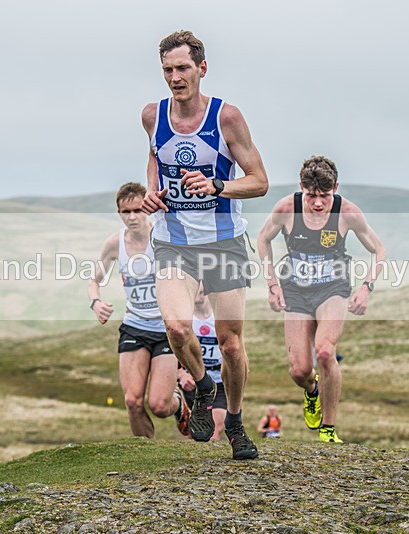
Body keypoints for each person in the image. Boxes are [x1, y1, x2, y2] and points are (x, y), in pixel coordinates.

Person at [141, 30, 269, 460]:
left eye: (182, 68)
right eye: (168, 70)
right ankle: (203, 386)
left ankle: (233, 420)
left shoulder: (226, 117)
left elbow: (259, 182)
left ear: (202, 68)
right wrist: (153, 191)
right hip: (172, 241)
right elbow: (155, 158)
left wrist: (217, 184)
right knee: (177, 327)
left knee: (230, 342)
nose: (175, 78)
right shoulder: (151, 115)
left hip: (223, 242)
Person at [257, 156, 386, 443]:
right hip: (297, 291)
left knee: (326, 352)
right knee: (299, 370)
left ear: (335, 189)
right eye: (311, 195)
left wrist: (367, 287)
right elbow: (262, 239)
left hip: (333, 289)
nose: (317, 203)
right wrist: (271, 284)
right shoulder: (287, 208)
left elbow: (379, 250)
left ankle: (328, 428)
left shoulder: (347, 212)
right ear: (301, 187)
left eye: (325, 196)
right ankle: (312, 390)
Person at [88, 182, 191, 438]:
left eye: (137, 210)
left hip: (165, 329)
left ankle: (178, 404)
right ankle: (146, 458)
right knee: (133, 402)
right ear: (119, 213)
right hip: (135, 326)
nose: (133, 217)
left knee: (159, 405)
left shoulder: (163, 236)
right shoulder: (115, 244)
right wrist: (96, 302)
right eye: (126, 212)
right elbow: (94, 280)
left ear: (147, 208)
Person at [177, 285, 227, 441]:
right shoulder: (184, 320)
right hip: (193, 382)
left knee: (214, 432)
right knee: (195, 433)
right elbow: (172, 352)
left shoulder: (220, 318)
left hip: (218, 383)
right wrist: (181, 375)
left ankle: (211, 464)